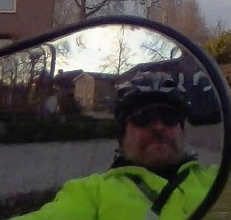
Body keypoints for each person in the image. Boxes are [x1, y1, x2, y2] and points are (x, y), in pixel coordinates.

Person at [17, 72, 217, 220]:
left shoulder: (216, 178)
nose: (158, 127)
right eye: (143, 119)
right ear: (122, 136)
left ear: (182, 131)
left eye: (169, 117)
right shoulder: (92, 192)